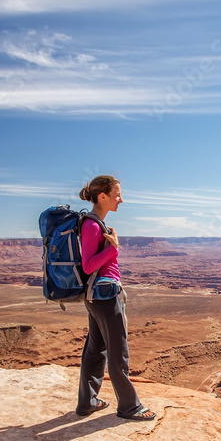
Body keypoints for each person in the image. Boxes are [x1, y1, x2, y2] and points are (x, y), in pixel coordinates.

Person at [75, 175, 155, 421]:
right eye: (117, 194)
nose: (121, 199)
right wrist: (113, 248)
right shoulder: (92, 225)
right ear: (103, 197)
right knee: (118, 351)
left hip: (100, 294)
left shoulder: (97, 224)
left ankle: (88, 402)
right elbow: (88, 266)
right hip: (105, 295)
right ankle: (130, 407)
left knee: (96, 349)